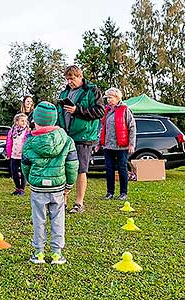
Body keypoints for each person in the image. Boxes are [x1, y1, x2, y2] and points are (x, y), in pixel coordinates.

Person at [22, 101, 79, 264]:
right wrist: (69, 185)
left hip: (38, 188)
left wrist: (29, 180)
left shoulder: (29, 141)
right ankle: (56, 254)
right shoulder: (67, 140)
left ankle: (39, 253)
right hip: (58, 188)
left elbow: (25, 165)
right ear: (54, 120)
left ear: (36, 121)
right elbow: (72, 165)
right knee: (58, 219)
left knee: (38, 219)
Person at [57, 65, 105, 213]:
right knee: (63, 168)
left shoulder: (92, 90)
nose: (69, 81)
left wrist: (78, 110)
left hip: (83, 136)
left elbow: (100, 111)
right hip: (65, 135)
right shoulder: (65, 92)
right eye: (67, 79)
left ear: (80, 76)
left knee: (80, 170)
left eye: (72, 78)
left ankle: (79, 203)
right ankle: (62, 201)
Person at [98, 88, 136, 201]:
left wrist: (131, 144)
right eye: (107, 98)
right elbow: (102, 128)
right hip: (108, 146)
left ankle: (123, 193)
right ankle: (110, 192)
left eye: (110, 98)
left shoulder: (125, 110)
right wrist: (99, 143)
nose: (108, 100)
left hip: (122, 146)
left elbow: (132, 127)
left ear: (117, 97)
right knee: (109, 169)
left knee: (122, 168)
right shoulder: (107, 111)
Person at [6, 113, 30, 196]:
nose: (24, 122)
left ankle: (22, 190)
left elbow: (29, 143)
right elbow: (9, 143)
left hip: (23, 156)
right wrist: (8, 154)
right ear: (16, 122)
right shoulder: (12, 131)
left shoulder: (27, 132)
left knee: (23, 173)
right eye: (22, 121)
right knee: (14, 173)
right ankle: (17, 188)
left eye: (25, 121)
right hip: (14, 155)